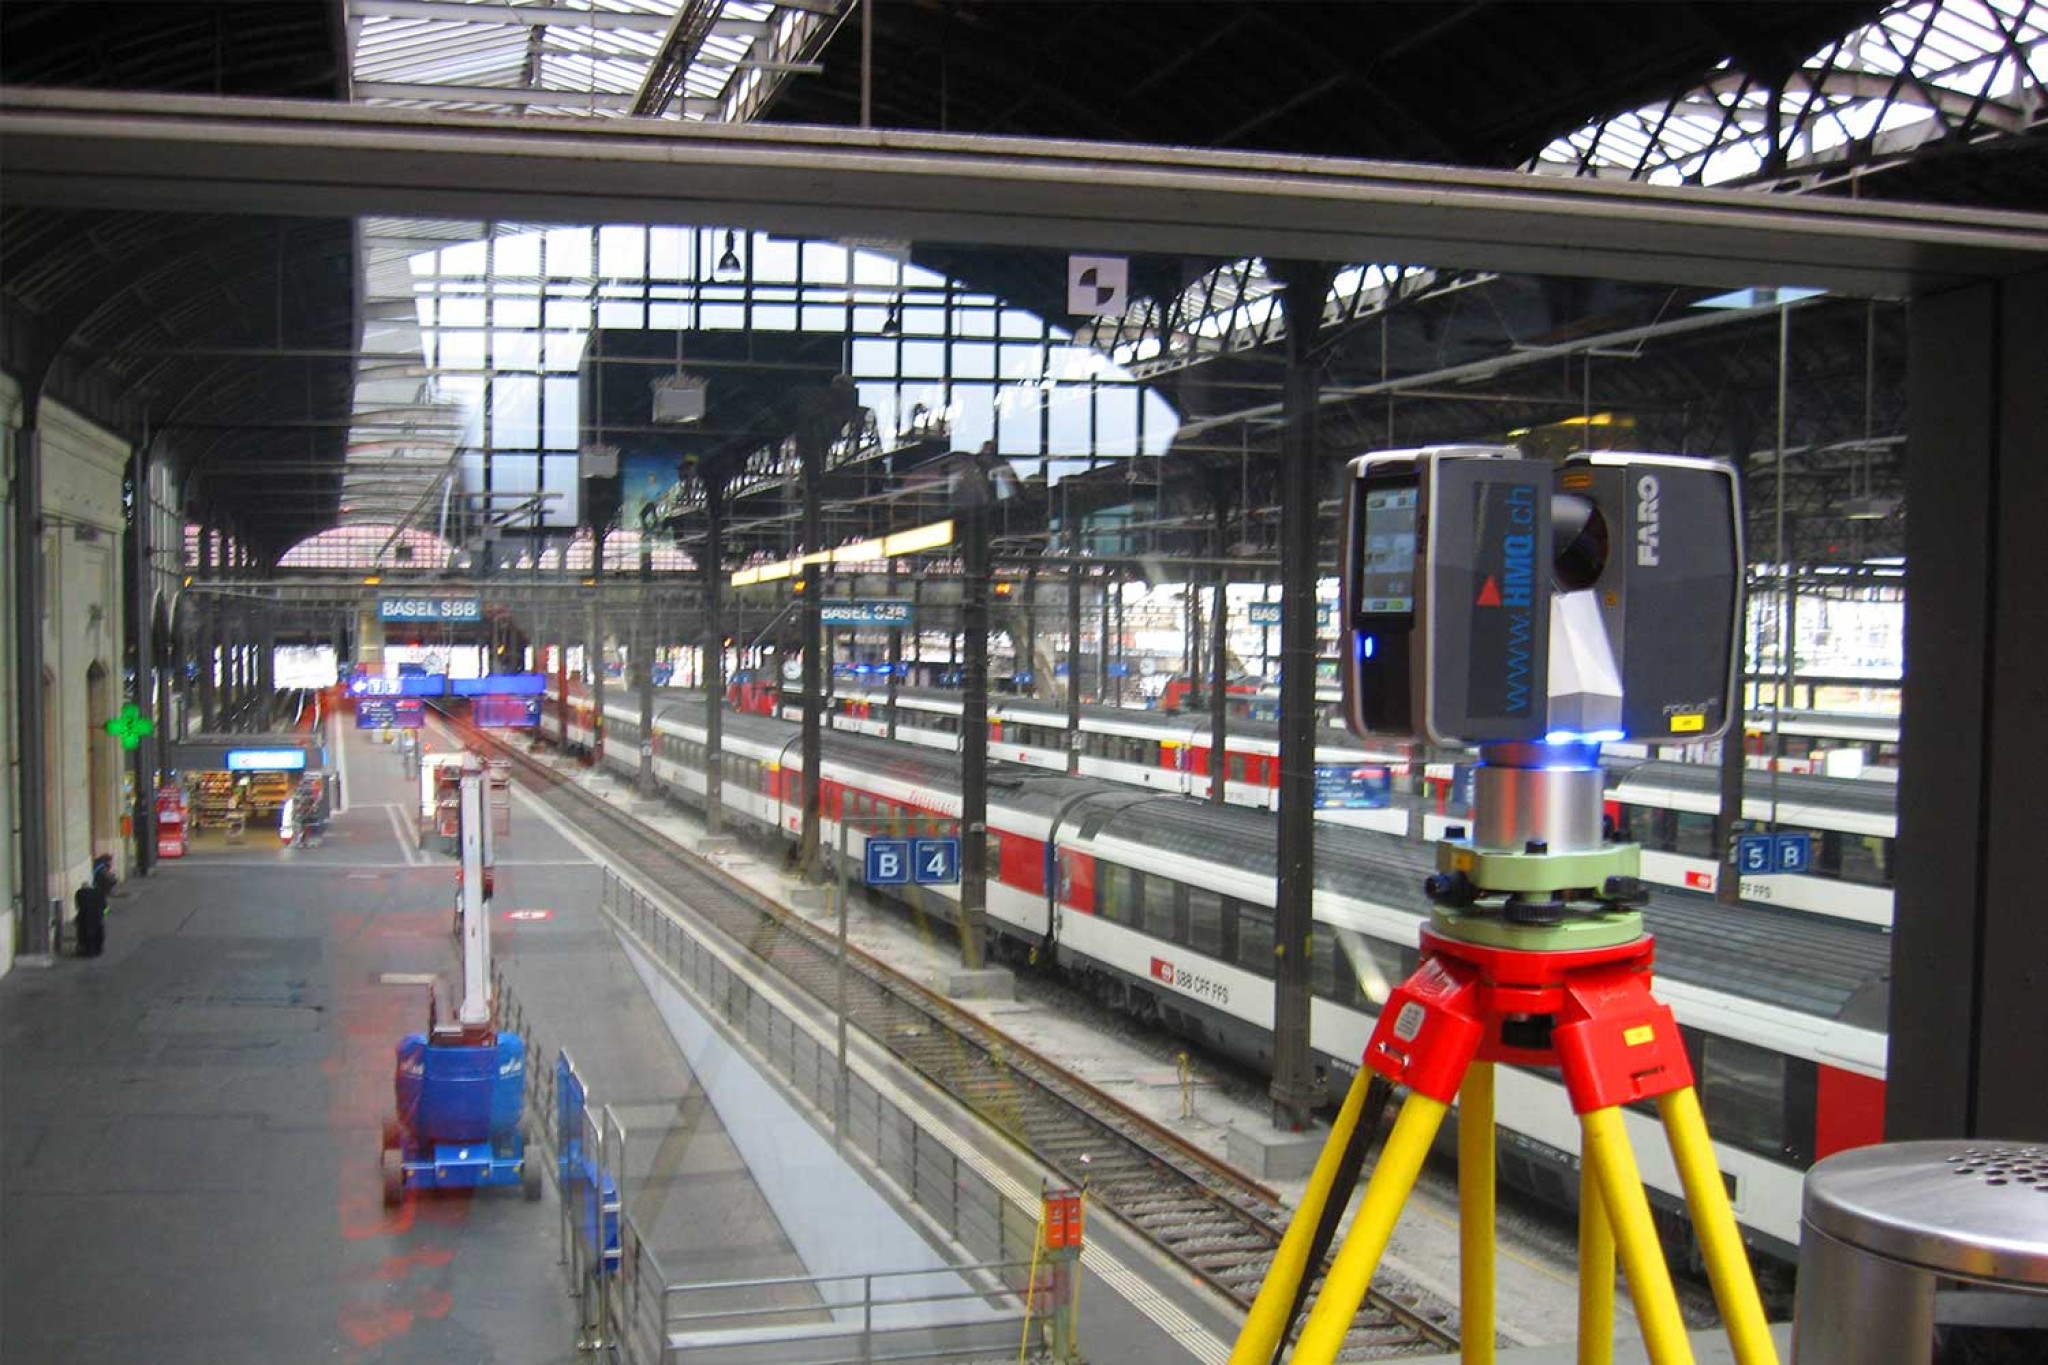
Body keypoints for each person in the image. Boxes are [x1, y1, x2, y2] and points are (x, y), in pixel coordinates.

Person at [73, 879, 106, 958]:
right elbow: (104, 906)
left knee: (83, 933)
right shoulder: (98, 893)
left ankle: (85, 949)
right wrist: (102, 915)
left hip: (84, 916)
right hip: (97, 916)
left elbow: (78, 906)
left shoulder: (79, 893)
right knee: (97, 932)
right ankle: (97, 949)